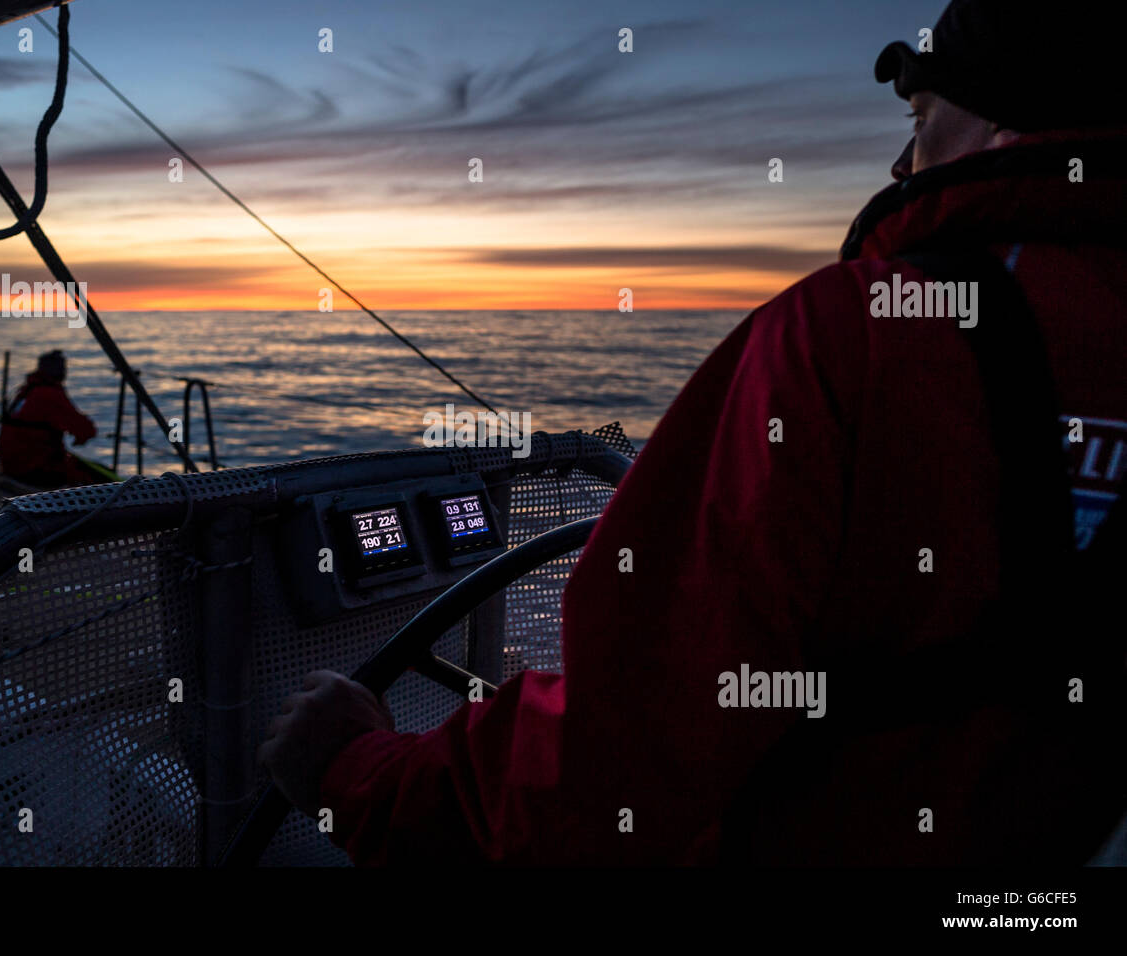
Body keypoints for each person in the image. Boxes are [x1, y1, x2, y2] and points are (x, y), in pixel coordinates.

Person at [260, 0, 1127, 864]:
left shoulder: (850, 338)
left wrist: (360, 772)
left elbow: (621, 764)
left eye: (921, 116)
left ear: (1007, 118)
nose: (902, 161)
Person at [0, 350, 98, 488]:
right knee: (96, 477)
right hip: (34, 468)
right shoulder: (49, 394)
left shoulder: (26, 390)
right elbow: (86, 430)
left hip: (11, 464)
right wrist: (80, 437)